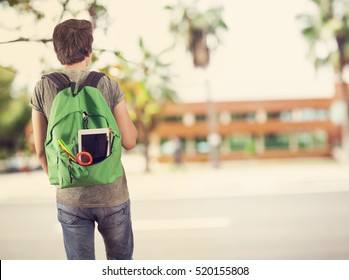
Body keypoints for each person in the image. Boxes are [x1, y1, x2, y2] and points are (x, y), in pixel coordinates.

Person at [30, 19, 138, 260]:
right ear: (89, 52)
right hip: (113, 195)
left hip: (71, 199)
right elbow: (130, 141)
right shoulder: (107, 84)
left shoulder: (43, 87)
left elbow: (39, 151)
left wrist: (62, 181)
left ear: (58, 53)